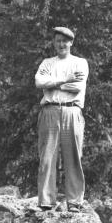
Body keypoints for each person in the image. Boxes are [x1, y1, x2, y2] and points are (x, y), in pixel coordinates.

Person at [34, 26, 89, 212]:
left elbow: (77, 86)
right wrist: (62, 81)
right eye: (58, 41)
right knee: (47, 157)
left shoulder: (80, 63)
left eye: (65, 41)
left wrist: (53, 84)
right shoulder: (47, 63)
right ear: (54, 43)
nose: (61, 44)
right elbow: (39, 83)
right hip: (49, 111)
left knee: (73, 157)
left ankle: (74, 202)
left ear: (71, 43)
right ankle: (46, 202)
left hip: (71, 111)